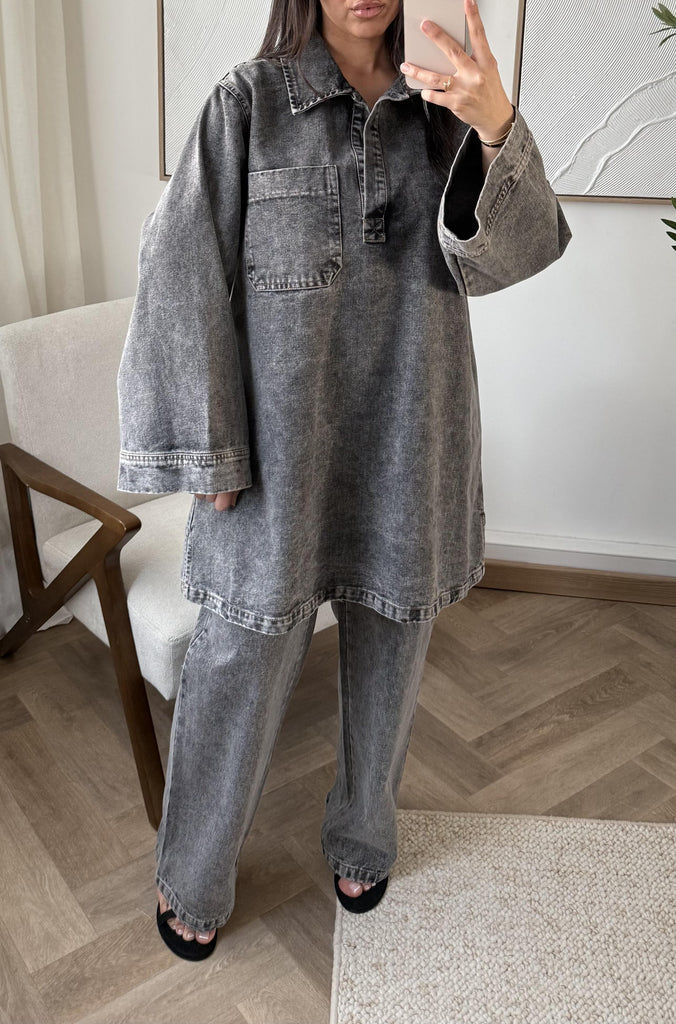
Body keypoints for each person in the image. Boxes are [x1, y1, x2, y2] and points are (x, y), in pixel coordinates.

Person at [116, 0, 572, 960]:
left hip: (412, 426)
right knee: (239, 657)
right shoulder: (246, 104)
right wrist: (206, 446)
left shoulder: (446, 111)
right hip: (276, 453)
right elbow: (179, 271)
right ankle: (193, 873)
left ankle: (365, 835)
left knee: (393, 644)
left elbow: (518, 255)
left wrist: (496, 122)